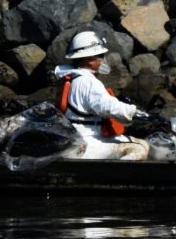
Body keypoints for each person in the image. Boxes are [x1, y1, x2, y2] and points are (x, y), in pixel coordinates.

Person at [54, 30, 161, 160]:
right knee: (138, 150)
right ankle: (112, 177)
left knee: (143, 143)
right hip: (85, 144)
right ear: (90, 60)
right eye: (101, 55)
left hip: (77, 139)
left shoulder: (71, 78)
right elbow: (108, 107)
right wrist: (141, 114)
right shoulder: (88, 82)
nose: (103, 59)